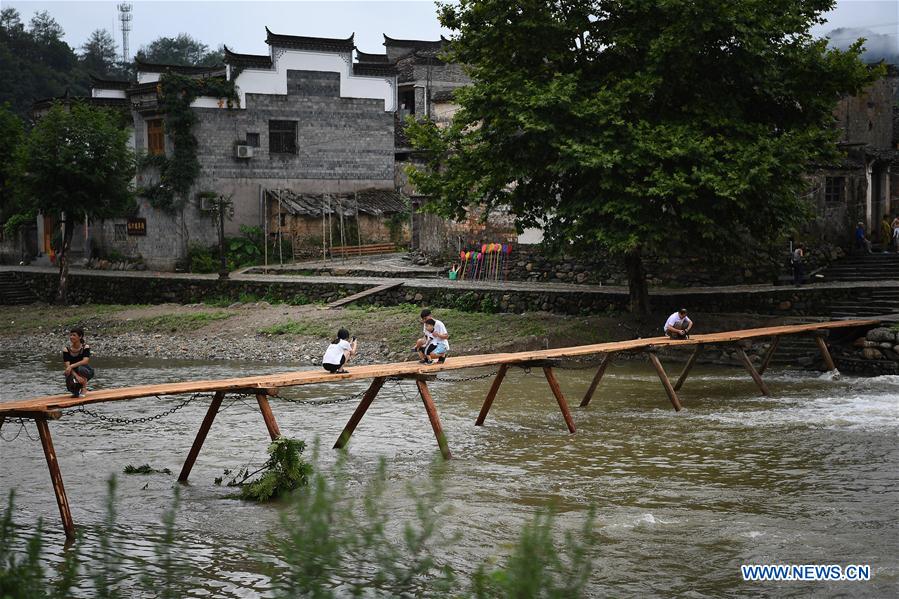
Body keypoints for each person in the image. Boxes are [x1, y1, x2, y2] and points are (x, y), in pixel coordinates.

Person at [63, 327, 94, 397]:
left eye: (74, 335)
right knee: (73, 391)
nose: (71, 337)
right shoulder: (66, 350)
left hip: (86, 371)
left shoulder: (85, 347)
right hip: (73, 372)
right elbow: (67, 366)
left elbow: (85, 361)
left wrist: (71, 366)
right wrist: (76, 376)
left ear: (80, 337)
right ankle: (76, 388)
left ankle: (84, 388)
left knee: (80, 368)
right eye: (70, 335)